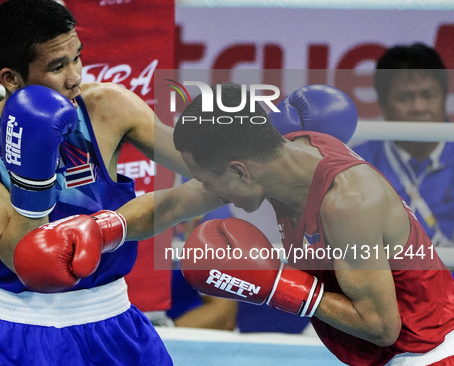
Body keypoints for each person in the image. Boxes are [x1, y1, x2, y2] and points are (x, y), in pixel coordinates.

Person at [0, 0, 211, 365]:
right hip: (12, 332)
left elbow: (208, 166)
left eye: (77, 57)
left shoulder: (108, 107)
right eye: (57, 66)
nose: (75, 77)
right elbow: (28, 263)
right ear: (11, 78)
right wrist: (33, 167)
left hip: (111, 323)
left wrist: (261, 145)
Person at [172, 83, 454, 365]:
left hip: (429, 354)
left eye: (208, 181)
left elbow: (380, 326)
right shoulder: (290, 156)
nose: (208, 191)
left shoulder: (346, 204)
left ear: (239, 171)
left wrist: (279, 286)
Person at [353, 43, 454, 246]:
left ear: (445, 98)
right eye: (405, 98)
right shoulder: (354, 164)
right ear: (383, 105)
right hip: (382, 277)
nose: (418, 108)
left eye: (428, 95)